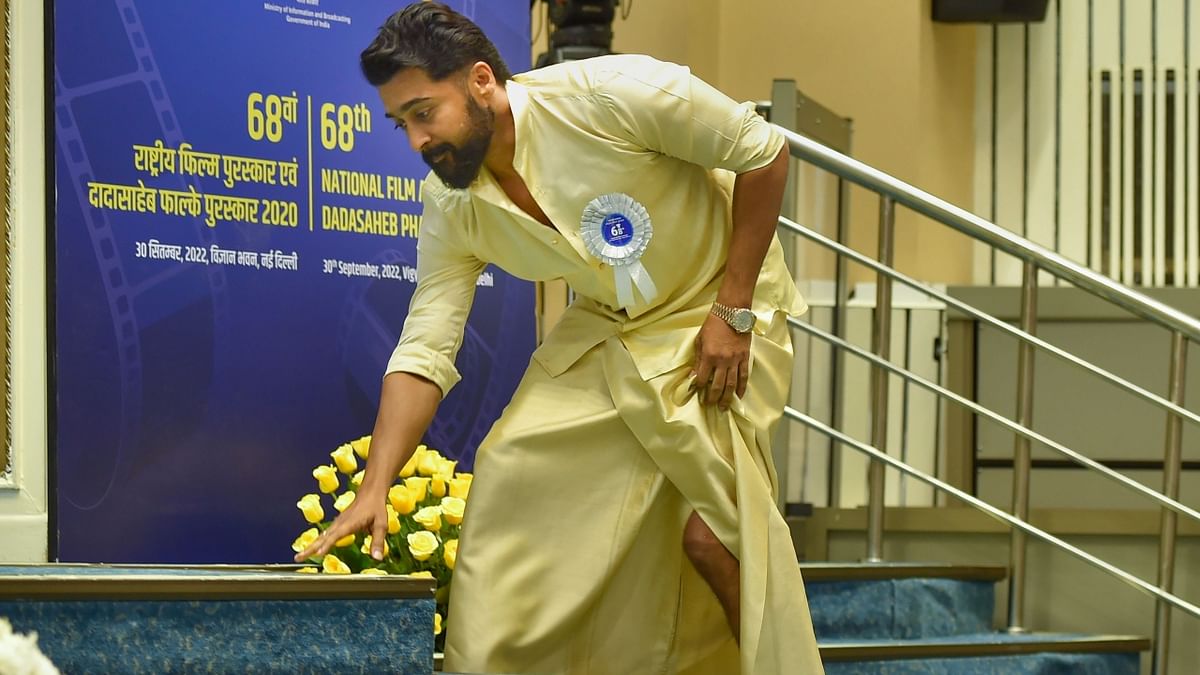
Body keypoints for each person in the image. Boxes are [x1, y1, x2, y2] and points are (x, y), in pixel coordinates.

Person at [296, 3, 825, 673]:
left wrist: (736, 309)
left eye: (425, 114)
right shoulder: (452, 205)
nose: (416, 143)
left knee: (710, 539)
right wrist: (376, 485)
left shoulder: (614, 93)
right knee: (511, 465)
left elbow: (763, 151)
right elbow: (426, 347)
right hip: (614, 327)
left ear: (481, 81)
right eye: (401, 123)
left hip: (722, 314)